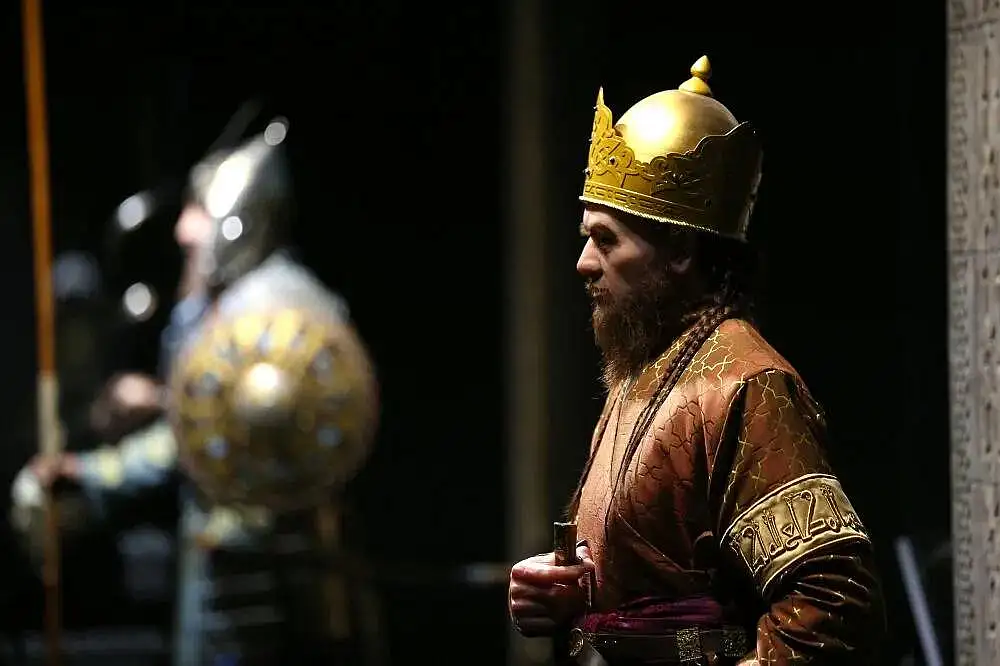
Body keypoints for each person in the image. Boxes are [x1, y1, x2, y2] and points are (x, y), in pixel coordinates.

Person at [507, 56, 885, 665]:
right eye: (585, 237)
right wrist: (568, 592)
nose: (583, 262)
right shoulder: (645, 368)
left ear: (681, 249)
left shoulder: (748, 385)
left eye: (606, 239)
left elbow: (835, 602)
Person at [12, 117, 382, 666]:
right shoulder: (242, 301)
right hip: (235, 551)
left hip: (262, 561)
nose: (185, 230)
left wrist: (102, 470)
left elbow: (221, 433)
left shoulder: (268, 311)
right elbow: (195, 427)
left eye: (199, 213)